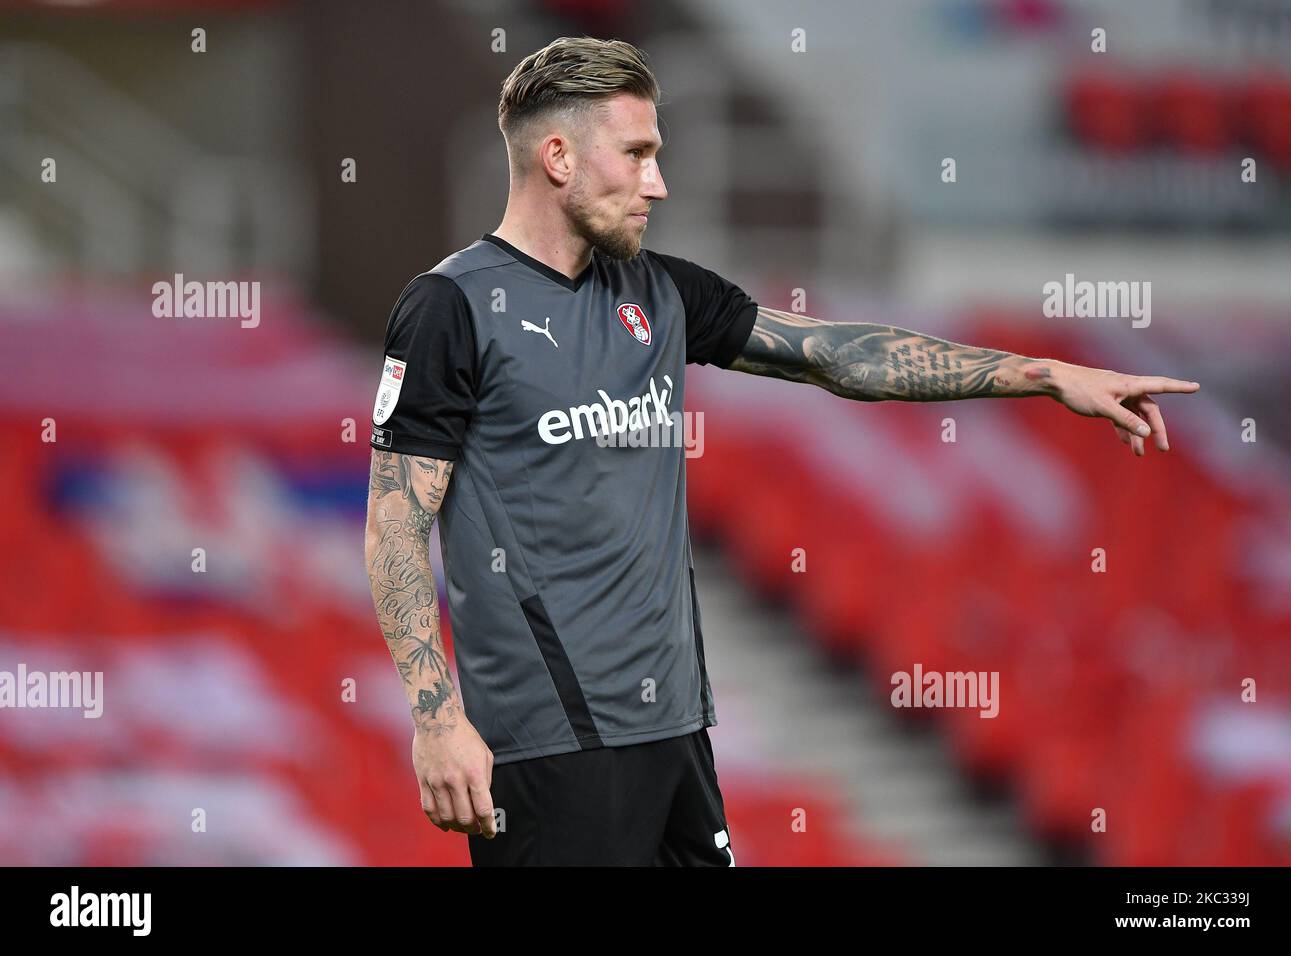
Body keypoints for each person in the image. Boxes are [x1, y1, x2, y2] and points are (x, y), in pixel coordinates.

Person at [363, 36, 1200, 867]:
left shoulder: (660, 291)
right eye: (638, 153)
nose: (659, 181)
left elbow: (838, 355)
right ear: (557, 156)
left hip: (676, 733)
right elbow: (395, 526)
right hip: (550, 748)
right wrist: (437, 719)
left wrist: (1041, 374)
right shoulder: (452, 308)